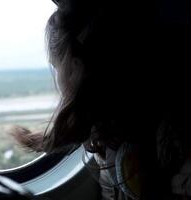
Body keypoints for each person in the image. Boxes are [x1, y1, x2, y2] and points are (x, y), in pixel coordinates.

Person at [11, 0, 191, 199]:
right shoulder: (101, 135)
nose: (57, 78)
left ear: (74, 69)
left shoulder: (172, 135)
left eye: (57, 67)